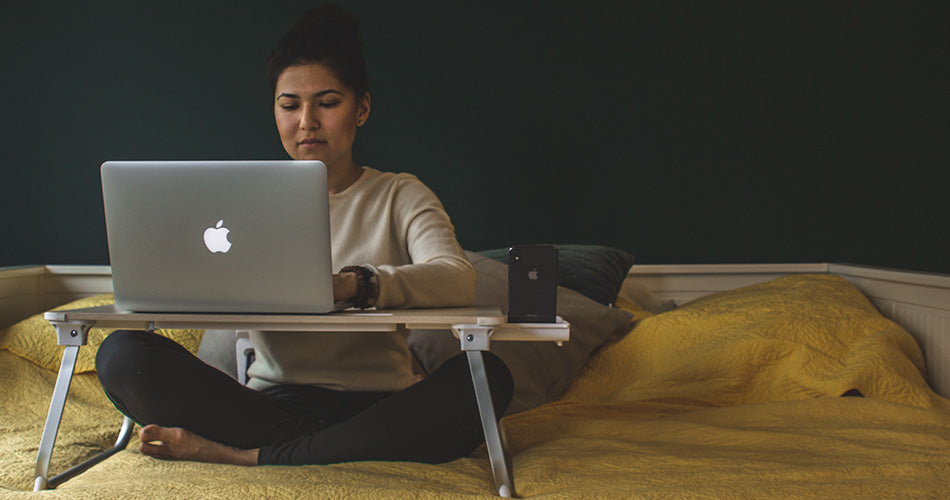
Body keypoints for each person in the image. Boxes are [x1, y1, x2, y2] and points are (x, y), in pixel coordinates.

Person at [95, 5, 513, 466]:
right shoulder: (238, 200)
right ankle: (324, 448)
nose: (306, 121)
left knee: (488, 376)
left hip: (380, 403)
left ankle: (243, 457)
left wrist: (355, 284)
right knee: (121, 354)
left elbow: (456, 278)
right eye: (289, 105)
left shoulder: (400, 193)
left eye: (327, 103)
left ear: (362, 108)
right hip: (269, 407)